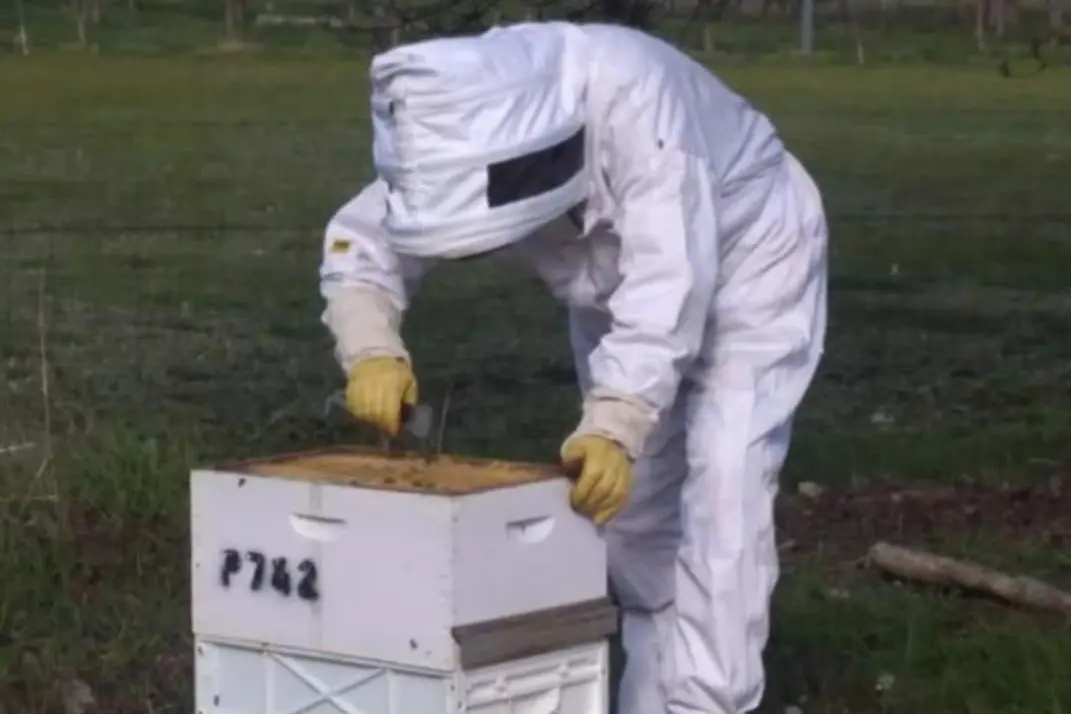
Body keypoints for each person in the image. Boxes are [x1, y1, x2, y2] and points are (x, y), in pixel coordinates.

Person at [318, 20, 828, 714]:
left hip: (753, 261)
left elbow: (667, 284)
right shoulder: (458, 121)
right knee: (634, 514)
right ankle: (652, 693)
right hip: (613, 292)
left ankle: (709, 701)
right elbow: (362, 241)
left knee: (723, 480)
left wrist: (616, 420)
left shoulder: (642, 112)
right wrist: (371, 344)